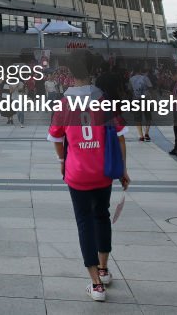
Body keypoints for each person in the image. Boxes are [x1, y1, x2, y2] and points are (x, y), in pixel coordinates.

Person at [48, 50, 130, 303]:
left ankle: (95, 285)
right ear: (93, 70)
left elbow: (55, 138)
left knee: (84, 223)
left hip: (77, 173)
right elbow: (120, 136)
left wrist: (63, 161)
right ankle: (104, 270)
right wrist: (123, 170)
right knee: (102, 217)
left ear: (69, 74)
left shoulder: (63, 104)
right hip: (103, 172)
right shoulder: (104, 99)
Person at [129, 66, 153, 142]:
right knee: (148, 116)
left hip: (136, 99)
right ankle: (146, 133)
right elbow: (150, 87)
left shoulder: (131, 79)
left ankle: (141, 135)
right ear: (140, 70)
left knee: (137, 118)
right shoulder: (145, 78)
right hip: (146, 99)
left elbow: (130, 89)